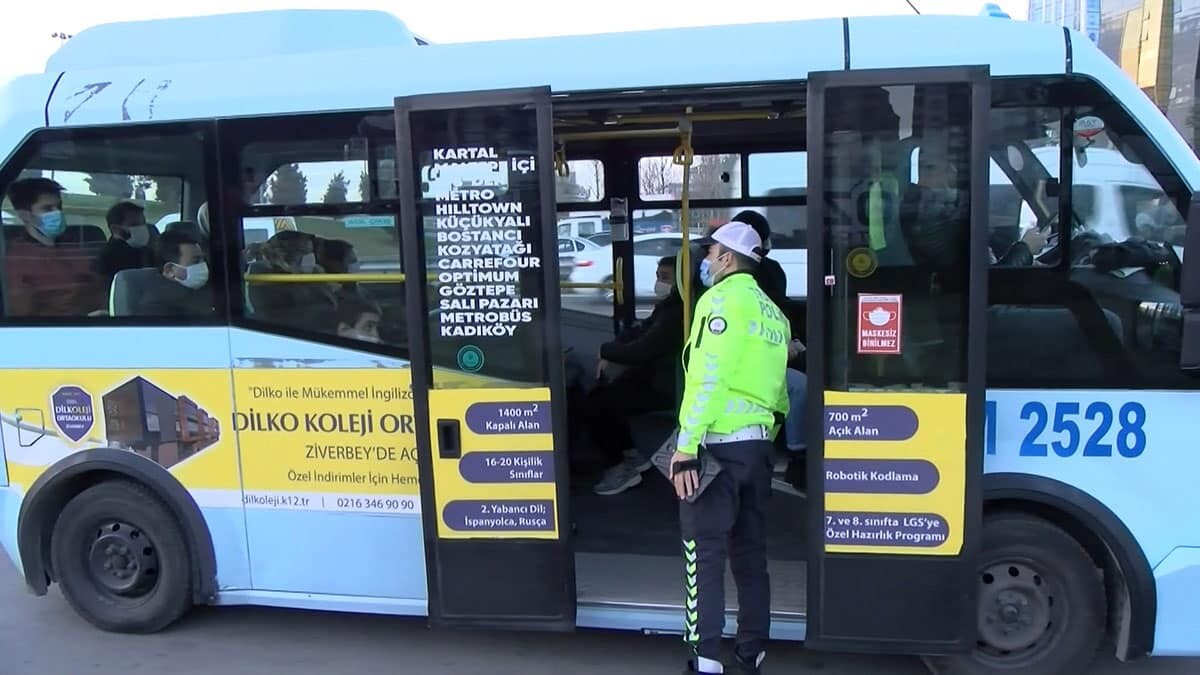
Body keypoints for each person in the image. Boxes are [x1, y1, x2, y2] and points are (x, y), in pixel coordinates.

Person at [670, 221, 789, 675]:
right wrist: (763, 438)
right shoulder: (774, 314)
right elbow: (779, 396)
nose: (705, 259)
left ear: (727, 258)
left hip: (716, 448)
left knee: (704, 552)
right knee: (750, 551)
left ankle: (704, 660)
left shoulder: (720, 301)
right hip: (756, 450)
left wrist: (686, 448)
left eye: (711, 251)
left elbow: (707, 379)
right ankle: (751, 651)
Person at [585, 256, 685, 495]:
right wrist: (613, 347)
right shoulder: (668, 306)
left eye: (666, 278)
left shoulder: (678, 312)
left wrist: (606, 351)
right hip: (655, 375)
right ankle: (630, 455)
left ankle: (621, 466)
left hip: (666, 384)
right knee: (601, 394)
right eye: (658, 276)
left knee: (597, 405)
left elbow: (643, 349)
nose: (659, 283)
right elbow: (638, 331)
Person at [4, 177, 106, 316]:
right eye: (47, 209)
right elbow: (25, 317)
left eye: (59, 207)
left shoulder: (77, 249)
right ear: (25, 215)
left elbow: (100, 290)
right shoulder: (17, 259)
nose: (57, 213)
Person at [136, 229, 213, 316]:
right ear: (170, 270)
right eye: (196, 261)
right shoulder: (157, 308)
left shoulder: (201, 289)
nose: (203, 266)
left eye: (203, 260)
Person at [96, 201, 157, 284]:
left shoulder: (147, 250)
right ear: (116, 229)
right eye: (134, 224)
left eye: (143, 224)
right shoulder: (108, 257)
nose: (142, 228)